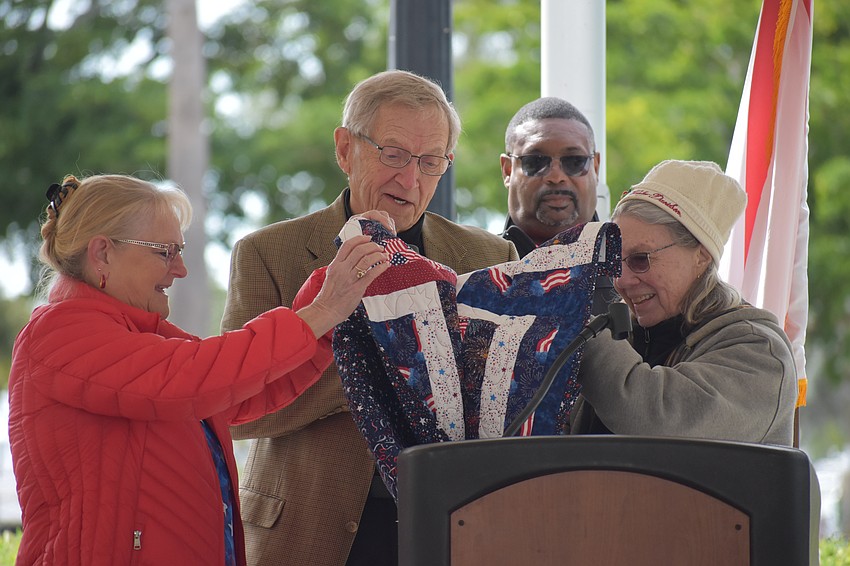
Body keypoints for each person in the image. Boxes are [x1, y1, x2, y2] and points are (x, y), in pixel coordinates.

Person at [8, 174, 390, 565]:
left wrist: (334, 293)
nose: (181, 270)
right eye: (165, 252)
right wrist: (321, 311)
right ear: (102, 253)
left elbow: (245, 386)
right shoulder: (58, 333)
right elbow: (194, 377)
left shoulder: (140, 339)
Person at [222, 69, 518, 566]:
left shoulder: (488, 254)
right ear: (344, 149)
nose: (411, 180)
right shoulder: (267, 253)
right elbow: (239, 406)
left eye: (431, 162)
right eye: (394, 155)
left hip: (453, 529)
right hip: (306, 531)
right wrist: (378, 373)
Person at [569, 160, 797, 446]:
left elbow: (662, 421)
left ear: (701, 255)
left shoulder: (759, 351)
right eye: (614, 264)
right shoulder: (624, 339)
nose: (622, 281)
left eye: (641, 260)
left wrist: (582, 338)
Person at [500, 97, 618, 314]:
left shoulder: (636, 272)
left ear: (596, 167)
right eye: (535, 161)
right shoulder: (468, 269)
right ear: (507, 170)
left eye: (574, 161)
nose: (556, 176)